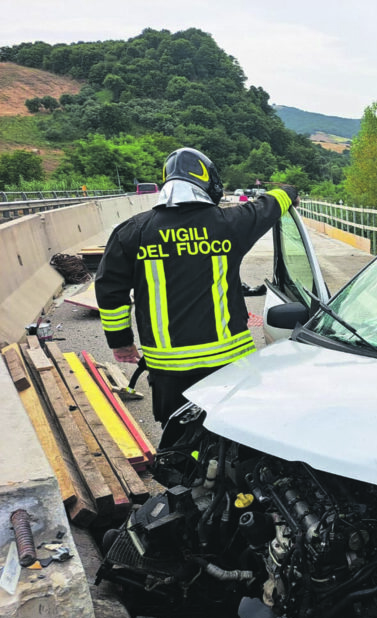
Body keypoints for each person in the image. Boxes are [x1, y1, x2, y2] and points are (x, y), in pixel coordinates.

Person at [95, 147, 298, 426]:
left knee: (176, 437)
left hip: (167, 367)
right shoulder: (230, 224)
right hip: (228, 362)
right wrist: (289, 191)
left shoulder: (132, 232)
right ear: (206, 181)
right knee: (231, 432)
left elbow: (110, 293)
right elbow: (270, 204)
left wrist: (121, 343)